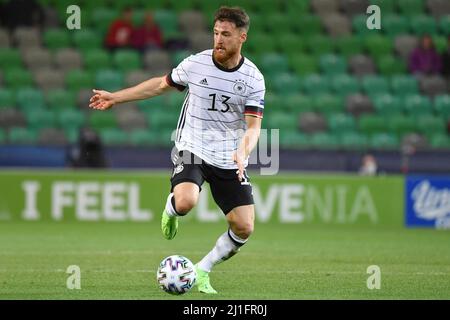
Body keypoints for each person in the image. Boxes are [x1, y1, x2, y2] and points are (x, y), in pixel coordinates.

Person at [89, 7, 265, 294]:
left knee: (244, 226)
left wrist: (242, 152)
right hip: (192, 146)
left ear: (242, 37)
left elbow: (253, 127)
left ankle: (202, 270)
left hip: (228, 157)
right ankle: (170, 211)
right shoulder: (196, 64)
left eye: (226, 34)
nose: (218, 40)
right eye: (216, 33)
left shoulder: (253, 79)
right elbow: (159, 86)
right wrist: (116, 98)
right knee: (185, 202)